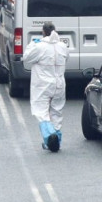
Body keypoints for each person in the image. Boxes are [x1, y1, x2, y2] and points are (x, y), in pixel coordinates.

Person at [24, 22, 69, 152]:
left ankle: (50, 136)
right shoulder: (62, 46)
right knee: (57, 111)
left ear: (43, 32)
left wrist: (32, 44)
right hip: (59, 84)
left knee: (41, 111)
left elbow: (26, 57)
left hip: (43, 85)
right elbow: (66, 59)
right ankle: (56, 141)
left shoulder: (39, 47)